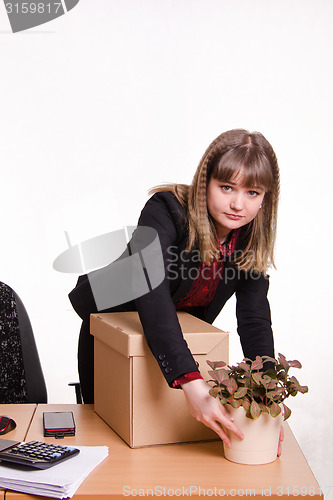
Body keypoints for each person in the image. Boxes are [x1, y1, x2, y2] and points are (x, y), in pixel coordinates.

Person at [69, 128, 282, 451]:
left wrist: (267, 400)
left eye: (253, 193)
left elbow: (254, 320)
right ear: (204, 182)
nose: (238, 204)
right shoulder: (165, 209)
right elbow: (152, 291)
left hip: (172, 336)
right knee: (108, 437)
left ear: (266, 197)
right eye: (227, 187)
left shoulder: (248, 239)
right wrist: (191, 381)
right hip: (111, 316)